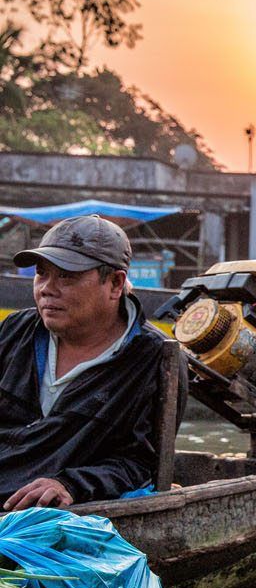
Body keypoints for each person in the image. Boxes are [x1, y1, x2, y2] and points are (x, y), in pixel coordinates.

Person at [0, 216, 176, 510]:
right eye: (41, 274)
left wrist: (69, 484)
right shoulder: (15, 331)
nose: (46, 289)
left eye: (67, 276)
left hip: (42, 513)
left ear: (115, 283)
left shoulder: (152, 357)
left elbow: (141, 464)